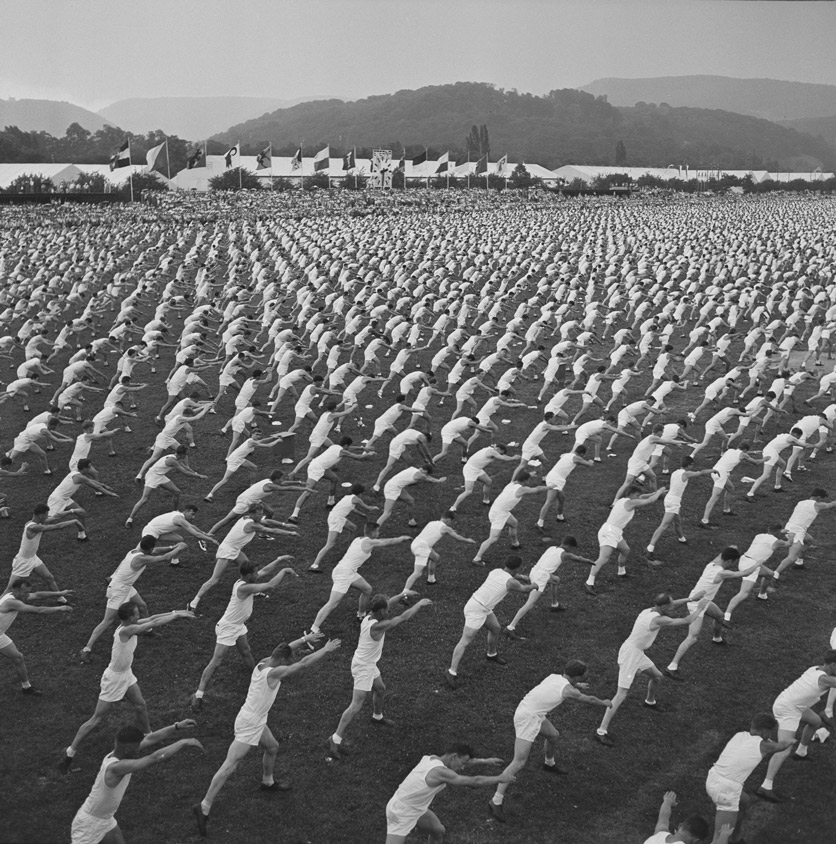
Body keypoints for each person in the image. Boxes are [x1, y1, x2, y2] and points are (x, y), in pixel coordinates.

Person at [192, 636, 341, 836]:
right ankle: (203, 807)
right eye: (287, 660)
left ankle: (267, 781)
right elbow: (302, 664)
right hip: (250, 723)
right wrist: (325, 650)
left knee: (272, 747)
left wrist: (305, 639)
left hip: (255, 718)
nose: (288, 662)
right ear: (281, 661)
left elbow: (286, 648)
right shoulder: (274, 673)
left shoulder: (263, 662)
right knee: (230, 766)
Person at [60, 602, 195, 771]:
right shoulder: (126, 630)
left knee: (140, 705)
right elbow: (152, 624)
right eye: (137, 613)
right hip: (114, 679)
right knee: (96, 719)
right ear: (131, 617)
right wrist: (177, 616)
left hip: (126, 674)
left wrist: (176, 610)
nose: (139, 615)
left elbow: (153, 618)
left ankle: (149, 735)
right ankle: (69, 752)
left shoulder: (129, 624)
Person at [488, 660, 612, 822]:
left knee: (553, 735)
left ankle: (549, 764)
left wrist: (578, 685)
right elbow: (589, 700)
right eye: (582, 678)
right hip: (528, 718)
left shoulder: (554, 677)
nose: (583, 681)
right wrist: (604, 702)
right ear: (575, 677)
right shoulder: (568, 690)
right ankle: (495, 801)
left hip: (531, 711)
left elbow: (563, 686)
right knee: (518, 762)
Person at [595, 592, 710, 746]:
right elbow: (686, 620)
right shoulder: (659, 619)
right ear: (662, 607)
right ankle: (601, 731)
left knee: (657, 676)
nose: (673, 607)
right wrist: (700, 608)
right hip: (631, 655)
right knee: (621, 695)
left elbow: (674, 603)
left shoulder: (649, 610)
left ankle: (650, 701)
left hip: (636, 652)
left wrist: (690, 599)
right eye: (670, 606)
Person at [326, 593, 432, 758]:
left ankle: (377, 716)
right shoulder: (377, 627)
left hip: (367, 662)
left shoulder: (369, 616)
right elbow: (403, 618)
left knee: (380, 689)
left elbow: (387, 602)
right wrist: (419, 604)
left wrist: (402, 595)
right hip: (363, 668)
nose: (388, 611)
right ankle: (335, 738)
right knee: (356, 705)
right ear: (381, 611)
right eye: (387, 609)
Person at [191, 557, 297, 711]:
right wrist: (284, 570)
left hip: (238, 626)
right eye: (255, 573)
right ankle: (198, 695)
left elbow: (265, 570)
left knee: (246, 652)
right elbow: (270, 585)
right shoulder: (243, 588)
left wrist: (279, 559)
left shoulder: (247, 580)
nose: (257, 575)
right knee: (216, 661)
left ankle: (257, 677)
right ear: (248, 576)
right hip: (228, 628)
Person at [70, 722, 204, 844]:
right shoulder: (116, 768)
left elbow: (150, 739)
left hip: (105, 819)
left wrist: (177, 726)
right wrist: (183, 742)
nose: (139, 748)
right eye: (137, 746)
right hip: (88, 825)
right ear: (127, 748)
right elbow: (155, 757)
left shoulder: (118, 753)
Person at [78, 536, 186, 660]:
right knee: (107, 621)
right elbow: (163, 557)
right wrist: (179, 548)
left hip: (126, 586)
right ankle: (86, 649)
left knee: (142, 605)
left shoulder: (134, 551)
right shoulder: (141, 558)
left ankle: (148, 630)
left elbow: (155, 551)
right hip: (119, 590)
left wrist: (173, 547)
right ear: (148, 548)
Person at [663, 548, 761, 679]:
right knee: (692, 637)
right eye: (733, 562)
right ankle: (671, 667)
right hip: (697, 604)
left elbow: (721, 555)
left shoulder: (711, 564)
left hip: (704, 600)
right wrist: (758, 563)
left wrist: (731, 548)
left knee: (720, 616)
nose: (733, 564)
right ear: (730, 561)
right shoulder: (721, 573)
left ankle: (717, 638)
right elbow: (746, 572)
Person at [384, 743, 511, 844]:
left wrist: (485, 761)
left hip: (416, 808)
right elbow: (474, 781)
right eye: (462, 763)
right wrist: (499, 778)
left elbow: (465, 762)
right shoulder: (440, 772)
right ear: (454, 757)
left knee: (438, 831)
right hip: (401, 812)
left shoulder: (432, 758)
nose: (462, 767)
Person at [756, 650, 836, 802]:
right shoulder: (825, 680)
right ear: (833, 665)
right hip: (788, 709)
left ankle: (801, 752)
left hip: (793, 704)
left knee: (816, 721)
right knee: (784, 748)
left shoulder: (815, 668)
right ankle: (765, 787)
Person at [445, 555, 536, 688]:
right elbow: (524, 589)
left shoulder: (495, 571)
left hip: (482, 606)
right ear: (516, 568)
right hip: (477, 610)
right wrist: (534, 584)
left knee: (495, 628)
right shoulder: (511, 582)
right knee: (465, 641)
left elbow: (511, 577)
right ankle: (451, 672)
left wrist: (522, 577)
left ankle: (491, 654)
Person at [188, 504, 297, 612]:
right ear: (252, 514)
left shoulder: (247, 518)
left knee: (251, 571)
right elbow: (272, 531)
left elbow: (267, 522)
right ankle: (193, 603)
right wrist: (290, 533)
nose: (261, 516)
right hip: (227, 550)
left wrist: (284, 524)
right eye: (259, 514)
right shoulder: (251, 525)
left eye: (262, 514)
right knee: (214, 579)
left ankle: (253, 591)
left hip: (235, 549)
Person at [307, 522, 411, 634]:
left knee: (367, 589)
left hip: (347, 571)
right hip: (344, 574)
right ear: (373, 532)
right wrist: (402, 538)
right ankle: (314, 629)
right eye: (377, 531)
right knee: (332, 603)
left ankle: (361, 615)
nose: (379, 533)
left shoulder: (358, 539)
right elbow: (387, 541)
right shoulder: (368, 543)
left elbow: (379, 541)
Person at [706, 714, 794, 844]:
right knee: (719, 839)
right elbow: (780, 746)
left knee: (744, 801)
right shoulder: (763, 745)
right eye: (770, 732)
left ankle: (735, 838)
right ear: (764, 731)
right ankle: (729, 838)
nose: (770, 735)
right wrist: (790, 741)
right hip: (727, 790)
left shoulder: (740, 735)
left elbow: (765, 743)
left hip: (713, 778)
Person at [585, 484, 666, 596]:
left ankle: (621, 572)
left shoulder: (624, 500)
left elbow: (643, 497)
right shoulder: (630, 503)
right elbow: (650, 501)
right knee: (603, 558)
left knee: (625, 550)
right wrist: (660, 491)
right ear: (632, 494)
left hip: (614, 531)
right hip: (610, 532)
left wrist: (656, 492)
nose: (638, 497)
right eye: (637, 495)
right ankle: (589, 582)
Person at [504, 536, 594, 636]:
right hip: (541, 576)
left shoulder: (551, 548)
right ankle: (510, 627)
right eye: (571, 548)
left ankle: (554, 605)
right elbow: (576, 558)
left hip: (535, 571)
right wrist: (588, 561)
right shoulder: (564, 554)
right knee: (530, 603)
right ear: (568, 546)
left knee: (555, 580)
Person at [0, 577, 73, 694]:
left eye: (28, 592)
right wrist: (60, 608)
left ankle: (26, 687)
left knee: (18, 658)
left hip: (0, 635)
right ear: (16, 590)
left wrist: (60, 593)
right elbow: (38, 610)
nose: (27, 595)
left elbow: (38, 595)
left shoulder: (17, 595)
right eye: (25, 592)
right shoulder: (12, 602)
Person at [646, 457, 715, 560]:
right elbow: (700, 472)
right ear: (689, 465)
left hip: (672, 499)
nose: (692, 467)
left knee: (677, 521)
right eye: (692, 465)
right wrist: (714, 470)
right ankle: (650, 548)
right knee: (664, 526)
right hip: (673, 502)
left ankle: (681, 538)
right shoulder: (685, 474)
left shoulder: (675, 472)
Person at [4, 502, 83, 593]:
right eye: (46, 515)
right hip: (23, 562)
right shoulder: (33, 527)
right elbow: (57, 526)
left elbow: (56, 517)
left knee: (49, 578)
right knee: (10, 589)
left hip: (33, 557)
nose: (48, 516)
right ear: (41, 515)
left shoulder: (36, 522)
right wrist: (75, 521)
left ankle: (61, 599)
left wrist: (72, 511)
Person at [472, 473, 548, 565]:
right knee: (493, 538)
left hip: (499, 510)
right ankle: (477, 558)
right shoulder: (521, 490)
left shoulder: (512, 483)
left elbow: (519, 477)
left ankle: (515, 544)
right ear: (526, 481)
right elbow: (538, 489)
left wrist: (529, 474)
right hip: (499, 514)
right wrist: (551, 487)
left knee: (514, 523)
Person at [124, 446, 207, 526]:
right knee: (144, 499)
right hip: (152, 476)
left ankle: (174, 512)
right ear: (182, 454)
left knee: (177, 492)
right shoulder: (172, 460)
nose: (186, 456)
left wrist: (197, 474)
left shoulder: (176, 458)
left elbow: (185, 467)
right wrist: (199, 476)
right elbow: (185, 473)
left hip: (160, 475)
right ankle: (130, 519)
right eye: (186, 454)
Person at [723, 525, 789, 622]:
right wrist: (791, 535)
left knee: (770, 574)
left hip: (745, 559)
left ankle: (762, 595)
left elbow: (772, 535)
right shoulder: (777, 542)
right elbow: (789, 544)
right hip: (752, 564)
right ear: (779, 531)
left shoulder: (759, 535)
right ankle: (726, 616)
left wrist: (780, 531)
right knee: (744, 593)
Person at [401, 511, 476, 591]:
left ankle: (431, 580)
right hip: (422, 548)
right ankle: (404, 594)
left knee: (435, 557)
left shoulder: (432, 522)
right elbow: (458, 538)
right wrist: (468, 540)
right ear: (447, 519)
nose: (450, 523)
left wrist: (450, 530)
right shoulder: (445, 528)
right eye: (450, 521)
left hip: (416, 543)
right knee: (417, 573)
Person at [535, 444, 594, 528]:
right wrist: (591, 461)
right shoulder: (577, 458)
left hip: (556, 478)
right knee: (550, 501)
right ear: (582, 453)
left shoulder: (568, 455)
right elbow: (589, 465)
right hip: (555, 479)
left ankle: (560, 517)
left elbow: (563, 456)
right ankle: (539, 523)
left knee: (561, 498)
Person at [449, 443, 517, 513]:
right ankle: (453, 507)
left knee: (488, 482)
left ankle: (486, 501)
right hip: (470, 470)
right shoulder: (491, 452)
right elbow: (503, 458)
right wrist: (513, 458)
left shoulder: (493, 450)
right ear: (498, 449)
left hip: (477, 469)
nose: (500, 454)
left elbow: (502, 456)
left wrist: (510, 457)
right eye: (501, 453)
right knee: (468, 491)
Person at [377, 464, 448, 528]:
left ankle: (411, 521)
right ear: (425, 471)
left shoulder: (413, 469)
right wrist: (439, 480)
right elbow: (430, 479)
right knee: (387, 513)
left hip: (396, 486)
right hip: (392, 489)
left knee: (410, 501)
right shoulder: (421, 475)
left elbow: (426, 476)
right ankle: (374, 530)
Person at [643, 792, 715, 844]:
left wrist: (667, 801)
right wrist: (724, 835)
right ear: (696, 841)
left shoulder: (659, 833)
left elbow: (663, 817)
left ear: (680, 825)